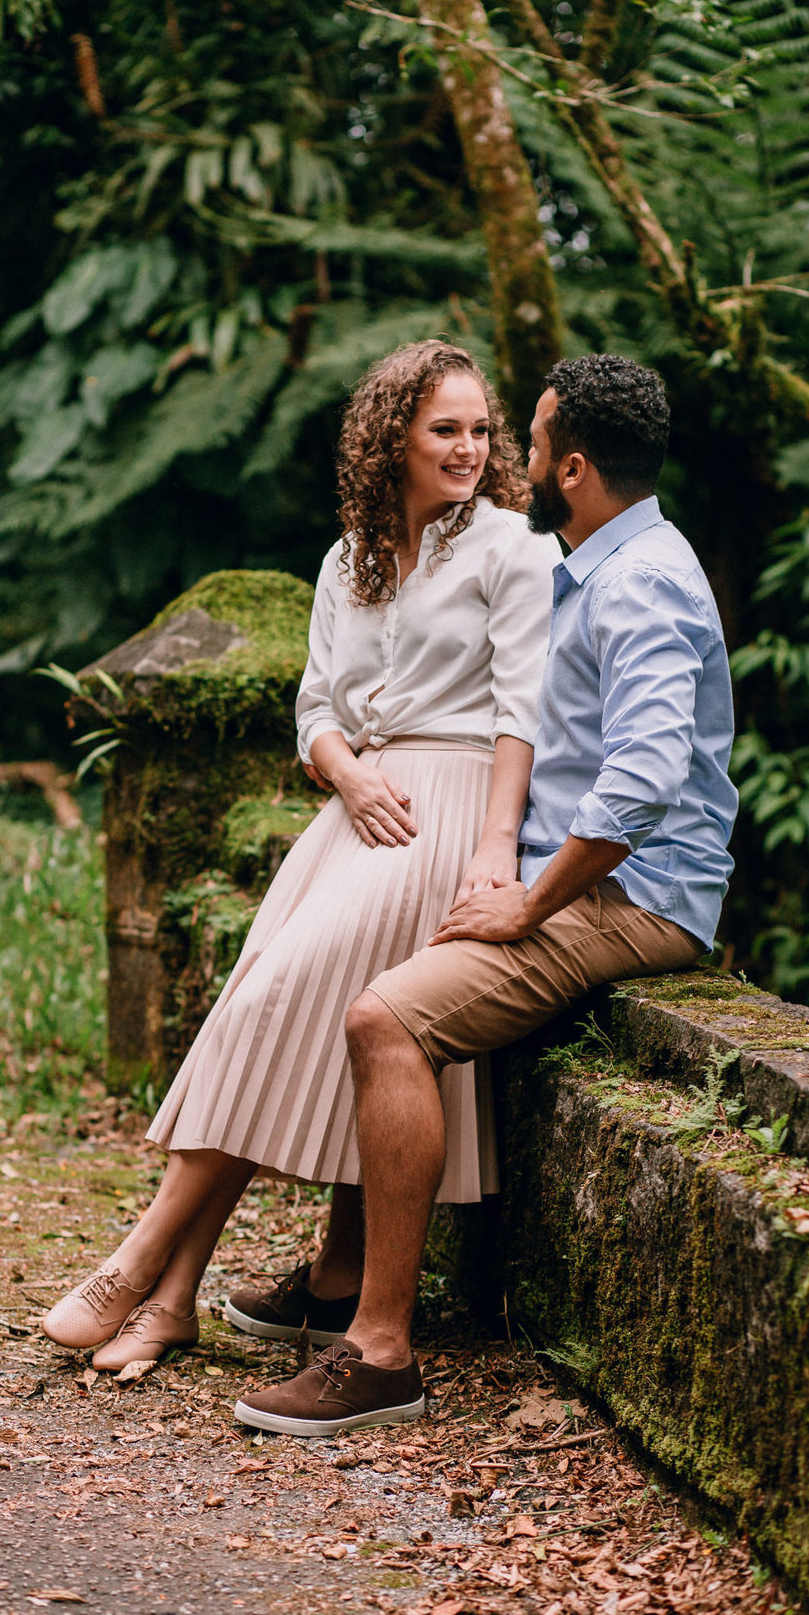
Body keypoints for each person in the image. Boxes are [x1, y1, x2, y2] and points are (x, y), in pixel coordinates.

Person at [233, 352, 739, 1436]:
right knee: (383, 964)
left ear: (573, 468)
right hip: (576, 873)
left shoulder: (641, 582)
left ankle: (380, 1353)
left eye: (529, 440)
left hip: (631, 895)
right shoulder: (597, 564)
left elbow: (644, 781)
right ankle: (335, 1278)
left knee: (388, 1021)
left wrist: (529, 902)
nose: (511, 457)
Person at [41, 340, 558, 1369]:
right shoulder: (347, 557)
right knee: (261, 1009)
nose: (467, 448)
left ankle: (138, 1263)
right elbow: (315, 707)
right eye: (443, 429)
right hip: (357, 810)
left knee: (272, 1003)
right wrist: (347, 775)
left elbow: (524, 709)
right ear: (392, 439)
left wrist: (496, 845)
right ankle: (173, 1300)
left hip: (446, 816)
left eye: (480, 430)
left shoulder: (512, 547)